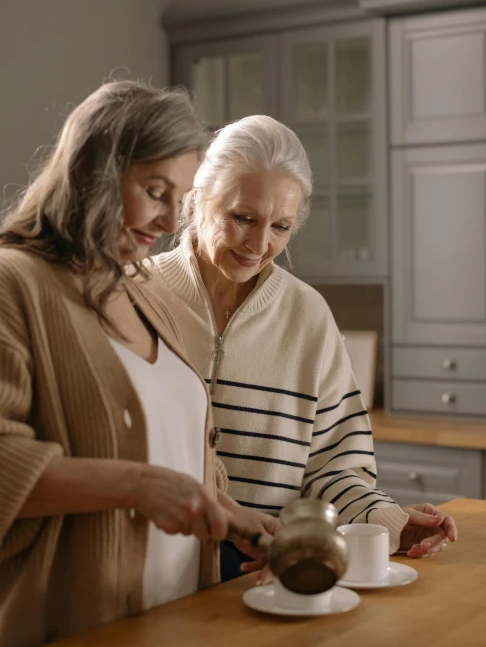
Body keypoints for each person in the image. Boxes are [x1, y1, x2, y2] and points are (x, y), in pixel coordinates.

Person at [0, 82, 277, 647]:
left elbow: (176, 451)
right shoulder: (13, 284)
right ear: (92, 173)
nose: (169, 219)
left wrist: (236, 517)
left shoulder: (142, 291)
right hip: (72, 646)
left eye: (180, 198)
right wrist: (137, 485)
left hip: (179, 630)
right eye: (155, 191)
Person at [145, 114, 458, 580]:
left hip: (262, 577)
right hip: (143, 576)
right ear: (196, 197)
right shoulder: (136, 294)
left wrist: (388, 522)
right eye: (243, 218)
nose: (259, 244)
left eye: (281, 227)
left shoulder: (309, 316)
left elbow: (333, 467)